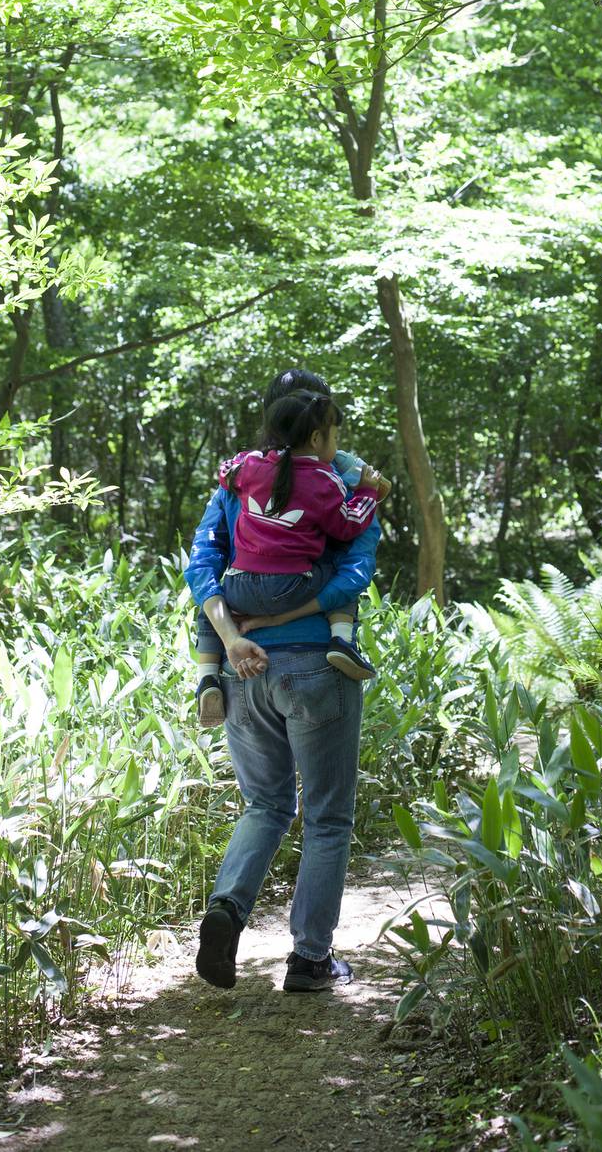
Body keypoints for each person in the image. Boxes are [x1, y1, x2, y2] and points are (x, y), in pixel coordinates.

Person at [184, 368, 382, 994]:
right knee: (326, 818)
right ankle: (310, 960)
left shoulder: (237, 484)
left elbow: (203, 566)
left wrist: (237, 632)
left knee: (266, 803)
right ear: (320, 431)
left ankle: (226, 910)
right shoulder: (341, 482)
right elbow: (355, 571)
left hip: (241, 671)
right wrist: (294, 614)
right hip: (314, 666)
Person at [193, 388, 387, 728]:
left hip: (240, 592)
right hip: (295, 594)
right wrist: (368, 491)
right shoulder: (325, 479)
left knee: (211, 597)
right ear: (316, 437)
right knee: (336, 570)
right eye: (336, 436)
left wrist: (244, 459)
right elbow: (348, 526)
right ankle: (342, 640)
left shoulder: (249, 467)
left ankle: (207, 675)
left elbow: (225, 476)